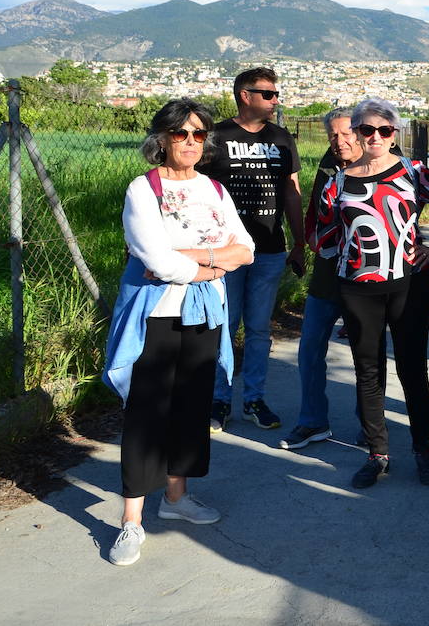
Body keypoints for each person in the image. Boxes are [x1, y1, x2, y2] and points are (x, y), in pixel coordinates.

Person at [102, 98, 255, 566]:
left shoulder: (213, 188)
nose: (190, 141)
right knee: (147, 411)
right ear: (162, 138)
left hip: (204, 312)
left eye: (198, 133)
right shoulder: (142, 189)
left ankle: (176, 498)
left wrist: (194, 260)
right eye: (180, 133)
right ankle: (131, 520)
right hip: (156, 315)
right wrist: (213, 260)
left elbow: (245, 249)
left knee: (191, 405)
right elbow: (156, 259)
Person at [314, 98, 429, 489]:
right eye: (366, 130)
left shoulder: (413, 172)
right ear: (356, 132)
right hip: (358, 290)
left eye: (384, 130)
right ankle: (377, 452)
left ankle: (424, 449)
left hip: (411, 285)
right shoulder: (337, 181)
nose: (376, 137)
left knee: (412, 368)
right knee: (368, 372)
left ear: (394, 133)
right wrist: (347, 262)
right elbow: (322, 236)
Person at [199, 67, 304, 433]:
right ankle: (219, 399)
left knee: (258, 329)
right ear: (246, 96)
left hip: (270, 250)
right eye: (269, 94)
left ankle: (255, 399)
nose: (276, 101)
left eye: (276, 94)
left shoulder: (281, 137)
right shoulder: (216, 136)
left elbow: (291, 190)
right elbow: (198, 190)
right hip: (225, 252)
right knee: (223, 326)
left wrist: (299, 242)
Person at [278, 108, 370, 451]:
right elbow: (315, 209)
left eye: (346, 134)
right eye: (333, 135)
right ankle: (312, 420)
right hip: (329, 270)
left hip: (366, 276)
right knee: (310, 346)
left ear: (360, 131)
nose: (340, 141)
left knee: (366, 352)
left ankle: (369, 424)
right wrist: (306, 244)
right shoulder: (330, 165)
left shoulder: (383, 162)